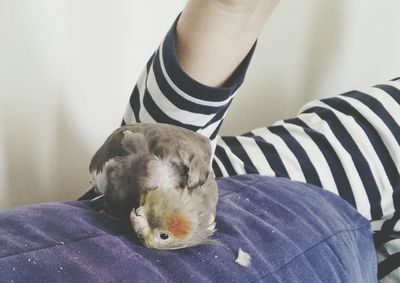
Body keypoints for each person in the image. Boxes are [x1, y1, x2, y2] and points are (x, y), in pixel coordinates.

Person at [119, 0, 399, 279]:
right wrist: (228, 13)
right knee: (138, 174)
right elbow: (153, 153)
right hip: (206, 186)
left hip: (227, 228)